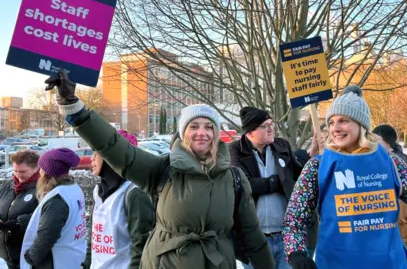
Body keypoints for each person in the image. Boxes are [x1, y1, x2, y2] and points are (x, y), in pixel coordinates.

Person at [45, 70, 275, 269]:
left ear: (216, 133)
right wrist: (74, 107)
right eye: (194, 126)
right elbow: (115, 148)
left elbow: (251, 235)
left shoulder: (234, 177)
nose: (201, 133)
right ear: (183, 133)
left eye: (208, 127)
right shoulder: (161, 169)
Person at [283, 85, 407, 269]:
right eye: (331, 122)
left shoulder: (390, 162)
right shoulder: (317, 166)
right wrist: (296, 252)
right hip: (336, 263)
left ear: (361, 124)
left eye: (343, 120)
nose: (335, 128)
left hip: (387, 263)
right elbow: (295, 219)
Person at [229, 107, 319, 268]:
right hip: (255, 240)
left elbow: (300, 179)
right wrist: (281, 181)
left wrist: (312, 157)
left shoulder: (282, 146)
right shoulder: (235, 150)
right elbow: (245, 184)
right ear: (250, 133)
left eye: (271, 124)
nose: (271, 129)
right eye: (265, 126)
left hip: (285, 237)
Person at [84, 129, 154, 269]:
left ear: (112, 157)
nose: (92, 158)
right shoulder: (99, 191)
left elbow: (141, 246)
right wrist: (86, 263)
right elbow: (94, 236)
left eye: (96, 153)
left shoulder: (134, 193)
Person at [20, 148, 87, 269]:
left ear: (48, 173)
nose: (39, 172)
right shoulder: (73, 188)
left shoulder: (57, 199)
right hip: (72, 258)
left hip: (56, 262)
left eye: (42, 168)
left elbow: (46, 236)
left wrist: (31, 257)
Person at [373, 124, 407, 269]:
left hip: (402, 238)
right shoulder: (370, 162)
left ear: (388, 143)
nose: (372, 144)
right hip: (377, 238)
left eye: (376, 140)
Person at [0, 151, 40, 269]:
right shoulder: (8, 185)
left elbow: (43, 217)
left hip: (29, 253)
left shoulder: (43, 188)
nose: (18, 175)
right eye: (15, 171)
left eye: (23, 171)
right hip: (7, 253)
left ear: (36, 168)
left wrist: (14, 224)